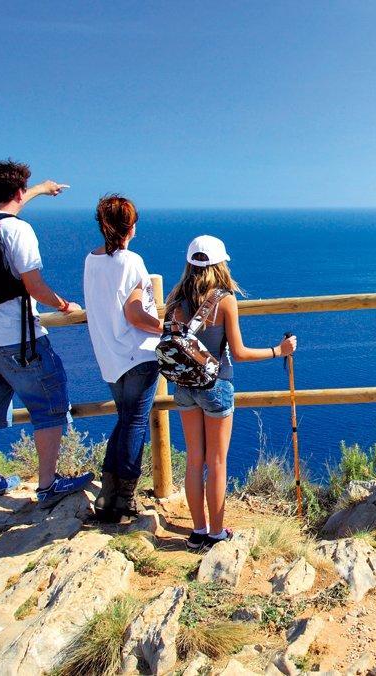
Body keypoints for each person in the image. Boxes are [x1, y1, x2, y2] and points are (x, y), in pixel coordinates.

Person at [0, 160, 93, 508]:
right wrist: (65, 305)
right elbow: (34, 286)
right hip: (19, 341)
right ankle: (47, 485)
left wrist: (38, 189)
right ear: (18, 192)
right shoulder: (20, 231)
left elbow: (6, 204)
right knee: (50, 405)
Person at [164, 235, 296, 549]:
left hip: (183, 386)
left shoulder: (175, 298)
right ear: (219, 264)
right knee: (218, 461)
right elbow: (238, 352)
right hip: (215, 386)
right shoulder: (224, 300)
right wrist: (279, 350)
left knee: (195, 460)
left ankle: (197, 532)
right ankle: (216, 533)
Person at [82, 195, 164, 522]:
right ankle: (125, 499)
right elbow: (134, 313)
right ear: (130, 226)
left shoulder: (91, 260)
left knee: (124, 419)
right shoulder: (131, 262)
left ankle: (107, 495)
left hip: (110, 357)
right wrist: (166, 327)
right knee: (134, 423)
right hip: (140, 354)